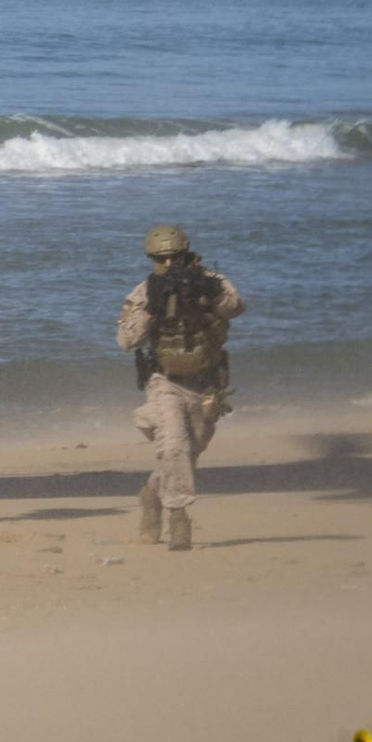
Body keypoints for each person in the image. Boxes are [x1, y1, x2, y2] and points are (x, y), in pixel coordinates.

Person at [116, 224, 244, 551]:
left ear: (186, 253)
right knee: (175, 448)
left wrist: (209, 290)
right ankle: (178, 518)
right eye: (161, 259)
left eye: (175, 256)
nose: (169, 264)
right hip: (165, 382)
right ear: (151, 259)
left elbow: (236, 308)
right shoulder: (146, 291)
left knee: (191, 450)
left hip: (206, 384)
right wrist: (152, 309)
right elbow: (126, 340)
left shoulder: (211, 282)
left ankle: (152, 494)